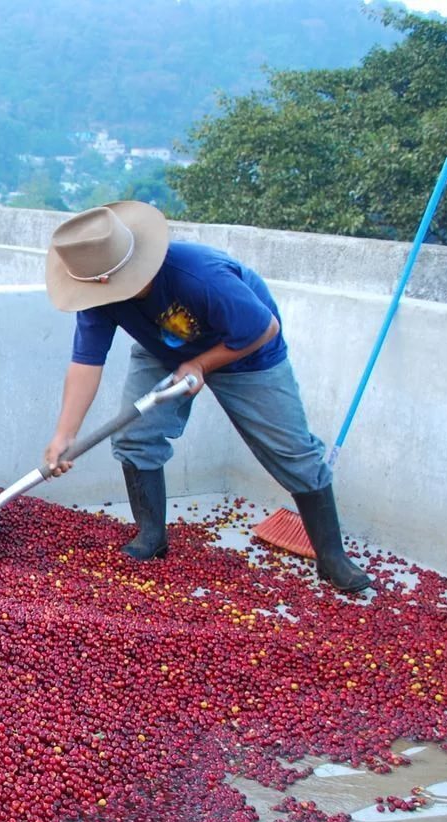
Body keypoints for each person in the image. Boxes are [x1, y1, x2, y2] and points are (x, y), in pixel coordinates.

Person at [40, 201, 372, 592]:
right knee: (134, 436)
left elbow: (263, 328)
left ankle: (332, 557)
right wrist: (65, 434)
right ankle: (151, 538)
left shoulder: (199, 275)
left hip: (245, 352)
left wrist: (201, 364)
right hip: (165, 349)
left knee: (292, 450)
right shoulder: (97, 295)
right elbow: (86, 362)